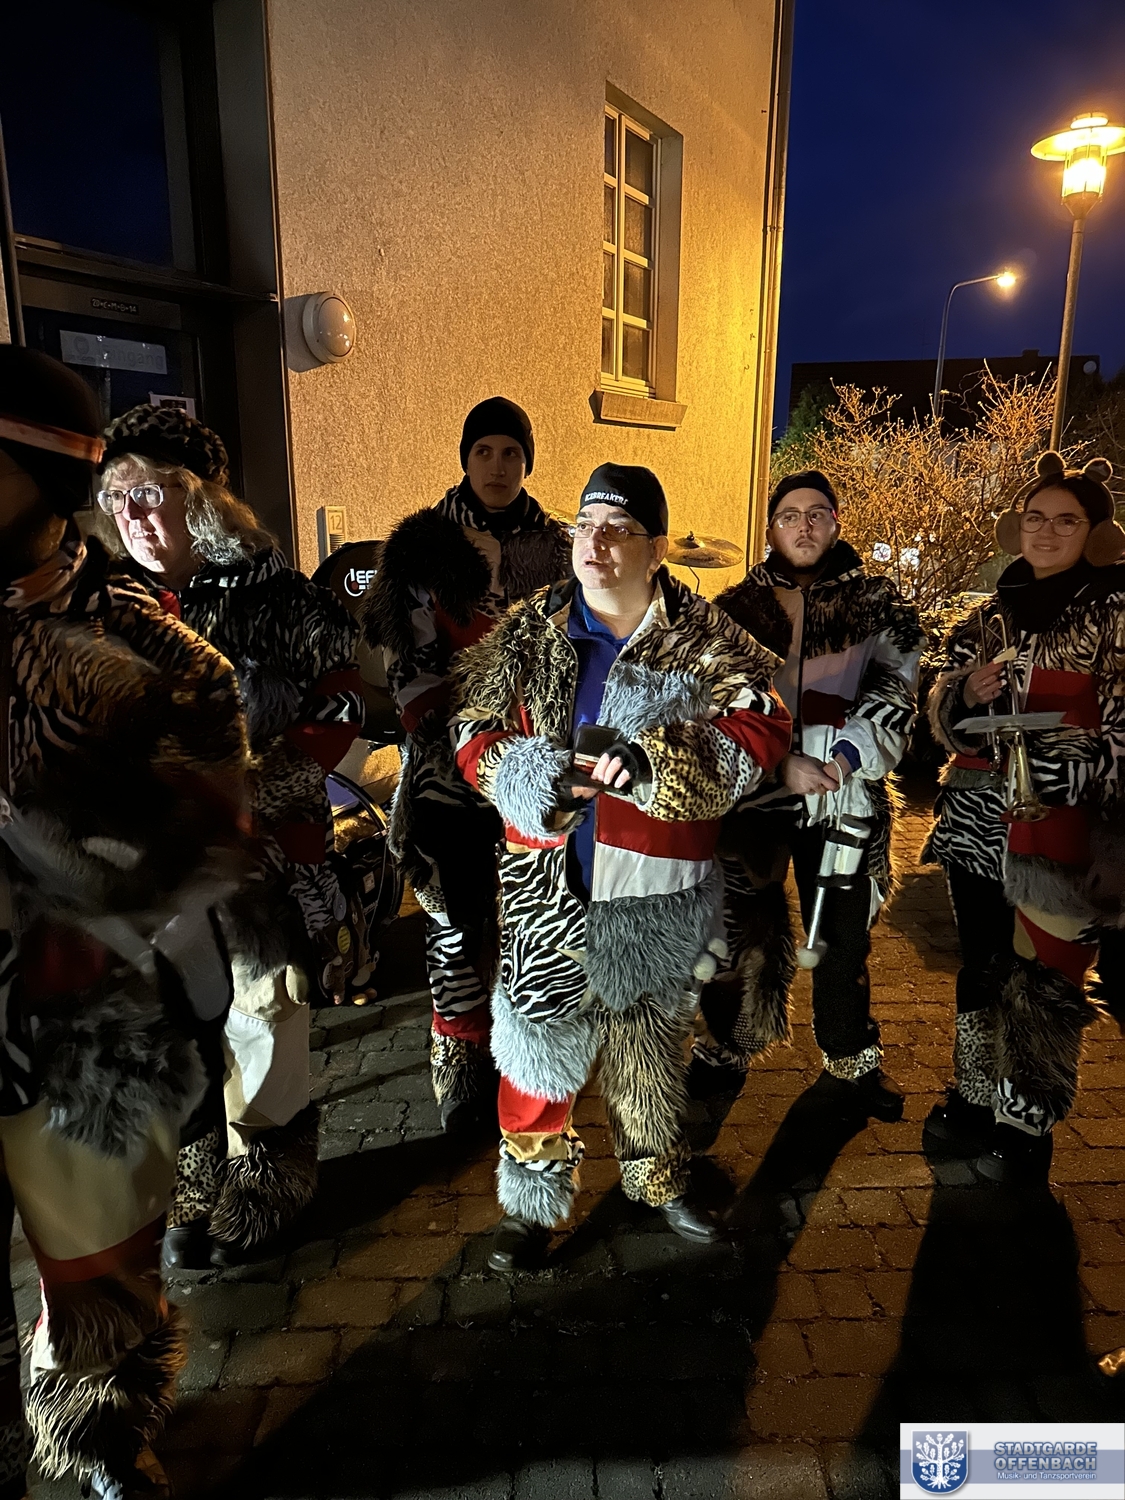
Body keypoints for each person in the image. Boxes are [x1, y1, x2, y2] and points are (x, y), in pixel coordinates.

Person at [0, 349, 248, 1497]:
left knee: (99, 1264)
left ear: (47, 475)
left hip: (83, 1020)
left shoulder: (158, 659)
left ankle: (102, 1433)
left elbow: (200, 846)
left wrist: (56, 857)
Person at [451, 463, 791, 1270]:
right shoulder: (529, 631)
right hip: (548, 881)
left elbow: (762, 727)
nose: (595, 543)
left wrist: (659, 763)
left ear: (657, 548)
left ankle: (656, 1174)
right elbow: (471, 729)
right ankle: (531, 1200)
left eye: (618, 529)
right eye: (585, 526)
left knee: (649, 1040)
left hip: (657, 884)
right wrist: (524, 776)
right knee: (536, 1040)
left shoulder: (703, 637)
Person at [96, 403, 363, 1265]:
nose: (134, 516)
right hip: (153, 864)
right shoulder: (101, 607)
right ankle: (193, 1177)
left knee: (262, 1011)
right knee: (172, 1017)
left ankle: (269, 1177)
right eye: (119, 497)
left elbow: (342, 705)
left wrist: (254, 789)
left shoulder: (276, 598)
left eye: (151, 494)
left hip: (262, 854)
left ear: (199, 499)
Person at [363, 397, 571, 1131]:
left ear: (527, 462)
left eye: (511, 452)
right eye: (484, 451)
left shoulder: (560, 548)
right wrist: (456, 730)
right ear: (465, 458)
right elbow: (407, 662)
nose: (497, 466)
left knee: (527, 920)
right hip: (447, 765)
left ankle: (521, 1060)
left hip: (535, 766)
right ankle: (458, 1059)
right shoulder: (423, 545)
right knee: (453, 920)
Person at [924, 452, 1125, 1184]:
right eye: (1035, 518)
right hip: (978, 816)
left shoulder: (1115, 612)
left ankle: (1026, 1119)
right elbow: (938, 706)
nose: (1045, 532)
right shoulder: (989, 613)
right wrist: (961, 697)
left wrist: (1073, 769)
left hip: (1066, 823)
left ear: (1095, 534)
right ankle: (976, 1094)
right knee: (981, 962)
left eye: (1065, 521)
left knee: (1045, 973)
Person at [703, 470, 925, 1119]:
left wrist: (842, 756)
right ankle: (727, 1046)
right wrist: (779, 766)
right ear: (771, 528)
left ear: (835, 523)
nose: (803, 525)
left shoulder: (880, 603)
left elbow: (897, 688)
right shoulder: (735, 608)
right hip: (755, 800)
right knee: (739, 929)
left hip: (843, 795)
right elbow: (714, 707)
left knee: (841, 936)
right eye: (789, 515)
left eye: (816, 513)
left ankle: (849, 1053)